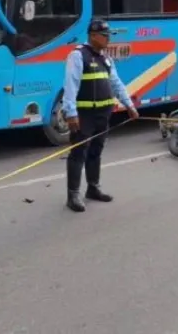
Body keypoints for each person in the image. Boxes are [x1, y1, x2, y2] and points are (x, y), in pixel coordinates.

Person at [61, 19, 140, 212]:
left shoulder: (106, 59)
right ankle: (73, 195)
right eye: (105, 36)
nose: (108, 40)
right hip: (84, 114)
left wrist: (129, 104)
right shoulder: (78, 56)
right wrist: (70, 113)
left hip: (103, 114)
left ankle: (93, 188)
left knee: (96, 150)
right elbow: (70, 85)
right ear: (93, 35)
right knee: (79, 153)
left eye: (108, 36)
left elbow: (116, 83)